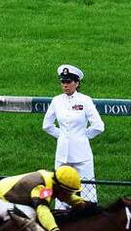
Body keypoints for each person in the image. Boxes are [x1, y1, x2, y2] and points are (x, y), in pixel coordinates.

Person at [42, 64, 105, 203]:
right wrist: (63, 136)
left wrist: (82, 136)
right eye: (63, 82)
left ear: (76, 83)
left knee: (88, 190)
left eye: (69, 82)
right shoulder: (56, 101)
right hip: (62, 154)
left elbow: (98, 126)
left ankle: (90, 218)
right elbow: (47, 125)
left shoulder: (85, 100)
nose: (65, 85)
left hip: (82, 154)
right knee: (61, 189)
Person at [0, 165, 85, 231]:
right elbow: (42, 210)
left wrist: (81, 203)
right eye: (69, 192)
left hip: (7, 198)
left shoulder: (52, 181)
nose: (70, 195)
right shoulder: (41, 187)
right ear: (60, 188)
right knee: (31, 214)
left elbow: (65, 196)